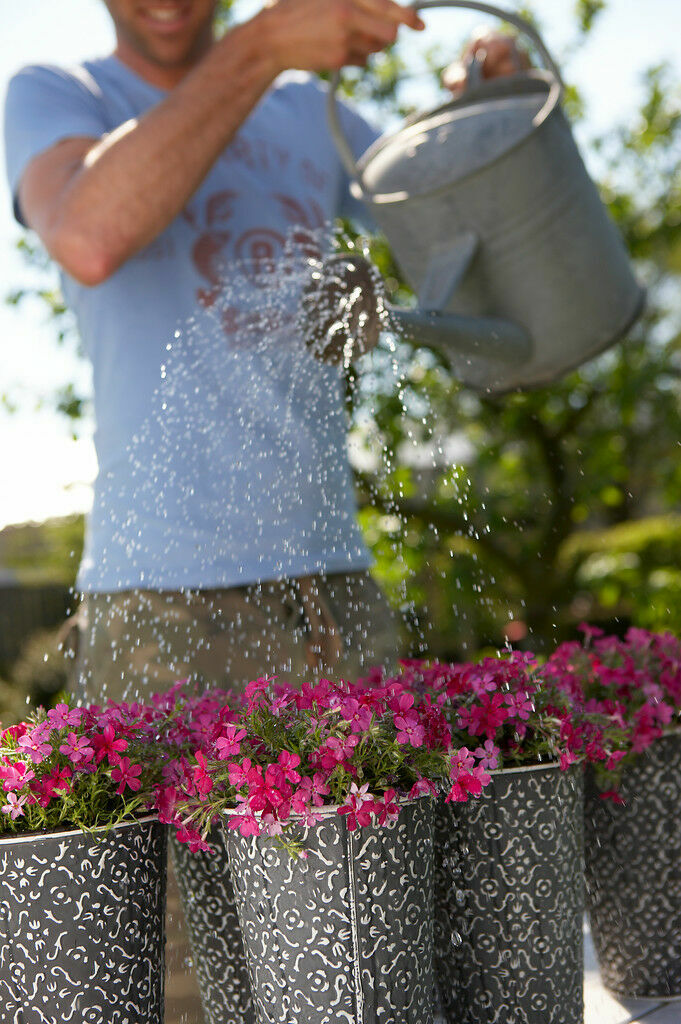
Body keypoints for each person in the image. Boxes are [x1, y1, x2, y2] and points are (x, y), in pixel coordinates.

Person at [4, 3, 528, 1021]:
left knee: (369, 956)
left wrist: (484, 112)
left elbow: (460, 241)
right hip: (155, 615)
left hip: (328, 597)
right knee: (186, 978)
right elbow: (90, 233)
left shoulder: (310, 109)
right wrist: (261, 46)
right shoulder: (60, 95)